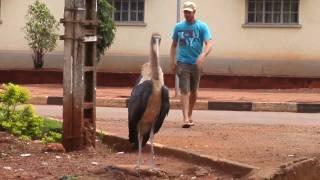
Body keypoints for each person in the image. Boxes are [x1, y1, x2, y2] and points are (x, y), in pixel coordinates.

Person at [170, 1, 213, 128]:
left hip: (196, 64)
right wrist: (172, 61)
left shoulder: (202, 27)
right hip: (182, 62)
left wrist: (203, 55)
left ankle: (189, 115)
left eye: (189, 12)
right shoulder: (178, 27)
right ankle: (185, 119)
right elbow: (173, 45)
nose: (187, 14)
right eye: (185, 12)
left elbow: (209, 43)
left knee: (194, 91)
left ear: (194, 12)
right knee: (185, 90)